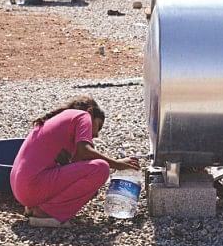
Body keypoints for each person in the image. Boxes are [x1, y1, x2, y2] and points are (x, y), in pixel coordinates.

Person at [10, 95, 140, 227]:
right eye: (98, 126)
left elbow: (79, 163)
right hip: (33, 186)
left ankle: (37, 207)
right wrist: (118, 164)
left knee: (94, 170)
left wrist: (89, 188)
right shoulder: (82, 116)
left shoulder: (64, 120)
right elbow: (85, 151)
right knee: (101, 168)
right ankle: (46, 214)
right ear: (90, 112)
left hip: (21, 190)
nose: (96, 135)